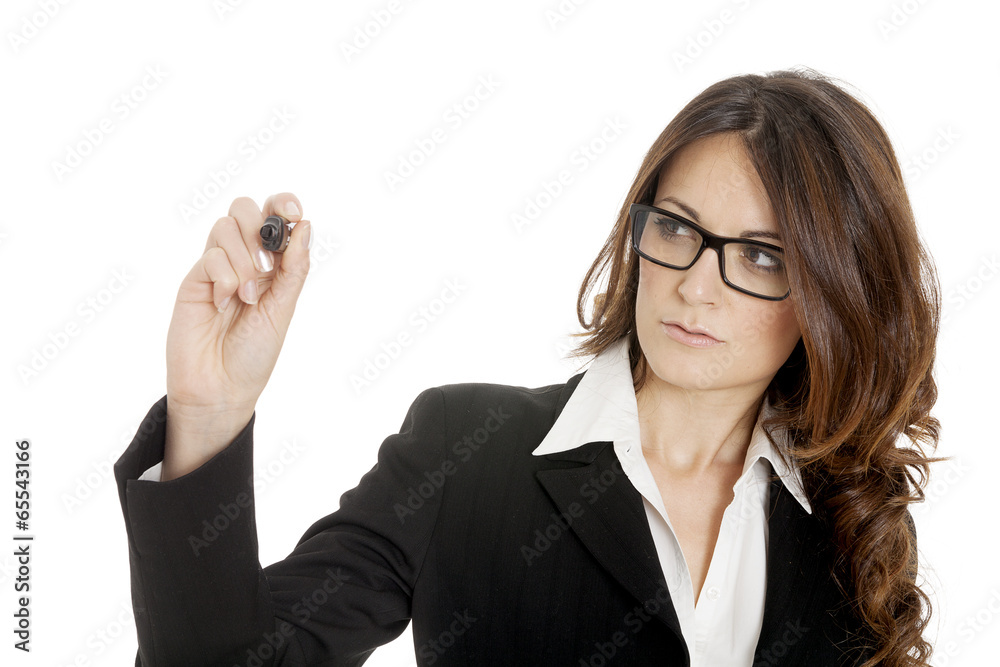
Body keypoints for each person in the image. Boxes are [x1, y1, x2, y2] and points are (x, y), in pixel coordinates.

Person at [114, 67, 943, 667]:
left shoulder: (851, 514)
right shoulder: (463, 449)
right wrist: (209, 415)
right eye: (678, 228)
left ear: (835, 293)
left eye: (762, 256)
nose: (696, 285)